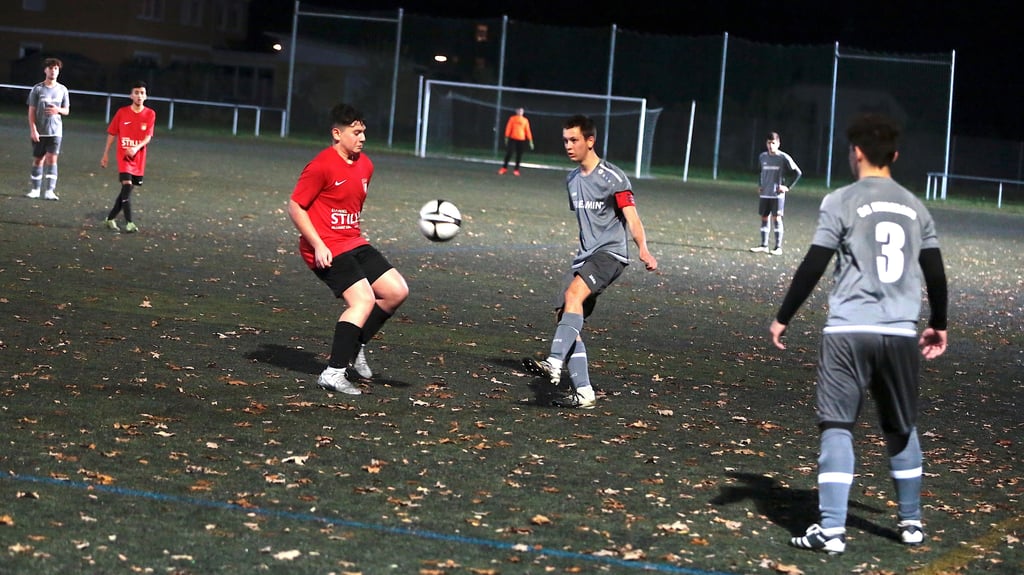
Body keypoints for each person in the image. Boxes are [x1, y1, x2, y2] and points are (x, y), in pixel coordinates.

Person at [769, 113, 948, 555]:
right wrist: (938, 323)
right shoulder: (915, 206)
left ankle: (831, 531)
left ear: (858, 153)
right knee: (901, 426)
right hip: (899, 333)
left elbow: (814, 262)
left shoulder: (841, 200)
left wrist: (783, 316)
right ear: (896, 156)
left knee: (836, 426)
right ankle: (910, 524)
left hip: (848, 331)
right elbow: (936, 272)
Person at [523, 114, 658, 409]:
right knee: (567, 318)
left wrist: (643, 249)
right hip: (585, 257)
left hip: (610, 254)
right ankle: (584, 392)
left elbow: (632, 218)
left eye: (574, 140)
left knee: (573, 295)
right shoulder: (571, 180)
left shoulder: (614, 178)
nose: (568, 146)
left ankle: (553, 363)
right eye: (565, 141)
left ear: (590, 141)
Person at [288, 103, 409, 396]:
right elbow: (295, 206)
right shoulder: (321, 165)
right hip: (325, 248)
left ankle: (354, 347)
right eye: (356, 132)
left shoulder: (366, 165)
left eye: (363, 131)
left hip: (354, 242)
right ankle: (333, 372)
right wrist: (318, 244)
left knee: (396, 292)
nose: (362, 138)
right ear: (337, 133)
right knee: (362, 301)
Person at [101, 81, 156, 233]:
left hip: (138, 157)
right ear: (131, 95)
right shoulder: (122, 112)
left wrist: (136, 148)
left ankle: (110, 218)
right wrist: (106, 153)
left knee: (127, 190)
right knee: (126, 185)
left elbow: (148, 137)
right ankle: (129, 222)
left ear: (146, 96)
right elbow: (112, 133)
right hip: (124, 156)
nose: (139, 95)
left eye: (142, 93)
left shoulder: (150, 114)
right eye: (136, 92)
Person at [750, 131, 801, 255]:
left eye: (773, 143)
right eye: (768, 143)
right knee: (764, 217)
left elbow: (798, 173)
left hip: (777, 195)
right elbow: (760, 172)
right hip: (765, 193)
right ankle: (764, 245)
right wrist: (760, 185)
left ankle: (778, 247)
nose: (770, 145)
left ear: (778, 144)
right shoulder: (762, 157)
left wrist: (787, 186)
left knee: (776, 218)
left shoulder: (783, 157)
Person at [26, 57, 70, 201]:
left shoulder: (63, 89)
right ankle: (35, 189)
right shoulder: (37, 89)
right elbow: (31, 111)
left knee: (52, 159)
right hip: (40, 131)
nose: (53, 71)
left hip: (56, 132)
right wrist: (33, 129)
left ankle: (50, 191)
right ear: (45, 70)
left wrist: (58, 110)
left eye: (56, 68)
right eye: (50, 68)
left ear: (59, 71)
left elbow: (66, 111)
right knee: (39, 159)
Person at [497, 107, 534, 176]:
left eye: (521, 111)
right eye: (519, 111)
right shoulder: (512, 118)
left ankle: (516, 170)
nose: (520, 112)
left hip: (521, 140)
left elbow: (527, 130)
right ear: (516, 111)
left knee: (519, 155)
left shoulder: (525, 120)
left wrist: (530, 140)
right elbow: (508, 127)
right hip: (512, 139)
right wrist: (506, 137)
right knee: (509, 153)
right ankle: (504, 168)